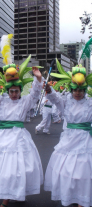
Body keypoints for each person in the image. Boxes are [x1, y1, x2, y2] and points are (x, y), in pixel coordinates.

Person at [0, 34, 44, 207]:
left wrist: (37, 78)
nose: (14, 94)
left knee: (18, 168)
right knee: (2, 168)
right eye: (11, 91)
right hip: (3, 137)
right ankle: (7, 193)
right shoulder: (1, 100)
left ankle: (10, 196)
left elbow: (36, 94)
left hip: (19, 137)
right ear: (8, 91)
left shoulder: (25, 101)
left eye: (17, 91)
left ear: (20, 91)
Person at [44, 62, 92, 207]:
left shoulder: (90, 103)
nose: (78, 92)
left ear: (84, 90)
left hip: (85, 140)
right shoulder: (66, 102)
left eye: (80, 90)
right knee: (67, 170)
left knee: (84, 171)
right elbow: (55, 98)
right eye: (75, 89)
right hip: (69, 139)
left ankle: (82, 199)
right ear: (71, 89)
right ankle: (70, 195)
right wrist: (48, 88)